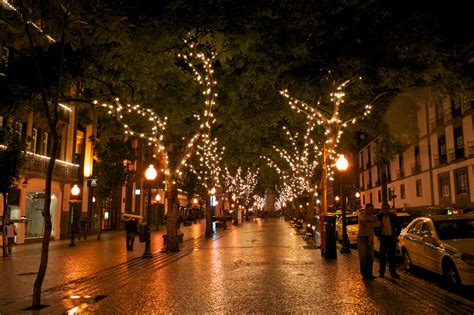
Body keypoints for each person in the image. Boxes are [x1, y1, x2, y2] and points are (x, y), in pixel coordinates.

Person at [375, 203, 401, 279]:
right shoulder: (378, 217)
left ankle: (392, 272)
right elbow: (375, 227)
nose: (384, 210)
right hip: (383, 238)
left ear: (388, 209)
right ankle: (382, 272)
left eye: (386, 208)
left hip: (391, 238)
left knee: (392, 256)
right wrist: (378, 235)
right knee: (382, 256)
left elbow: (398, 226)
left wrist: (396, 235)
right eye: (383, 208)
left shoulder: (393, 216)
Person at [357, 203, 380, 280]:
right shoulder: (362, 214)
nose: (371, 211)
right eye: (370, 209)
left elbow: (378, 224)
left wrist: (369, 223)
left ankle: (369, 273)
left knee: (371, 257)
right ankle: (364, 274)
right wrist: (371, 223)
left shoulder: (374, 217)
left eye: (372, 209)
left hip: (370, 238)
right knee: (363, 256)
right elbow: (364, 220)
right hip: (362, 238)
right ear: (366, 209)